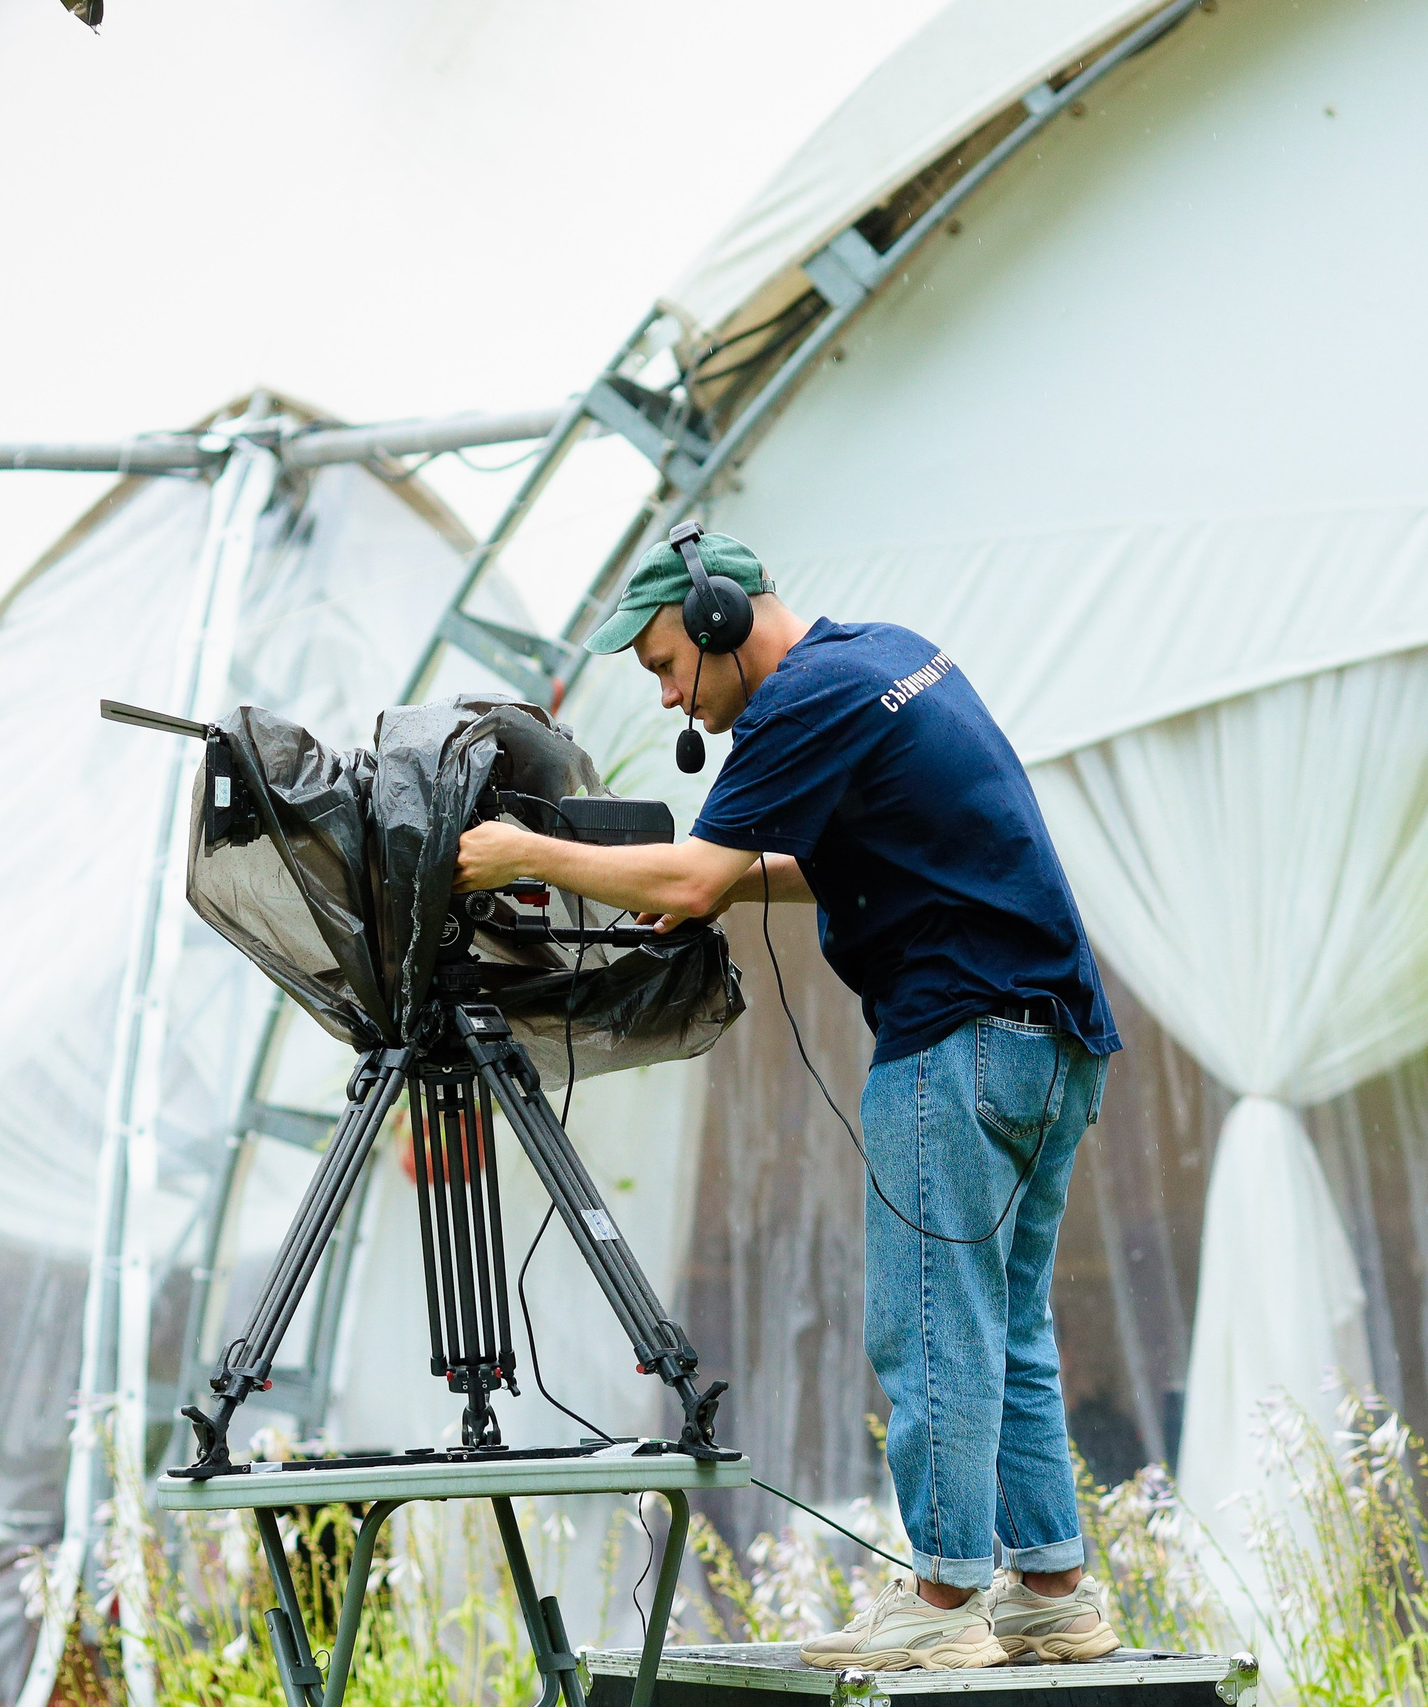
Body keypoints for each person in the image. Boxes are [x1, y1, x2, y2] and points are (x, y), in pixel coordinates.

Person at [454, 530, 1123, 1672]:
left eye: (666, 663)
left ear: (718, 622)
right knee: (1005, 1324)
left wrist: (524, 850)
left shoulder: (796, 701)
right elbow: (819, 860)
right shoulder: (880, 657)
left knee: (926, 1321)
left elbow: (691, 872)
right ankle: (1052, 1591)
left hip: (955, 1036)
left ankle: (945, 1603)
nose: (668, 692)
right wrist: (713, 886)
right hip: (1051, 1037)